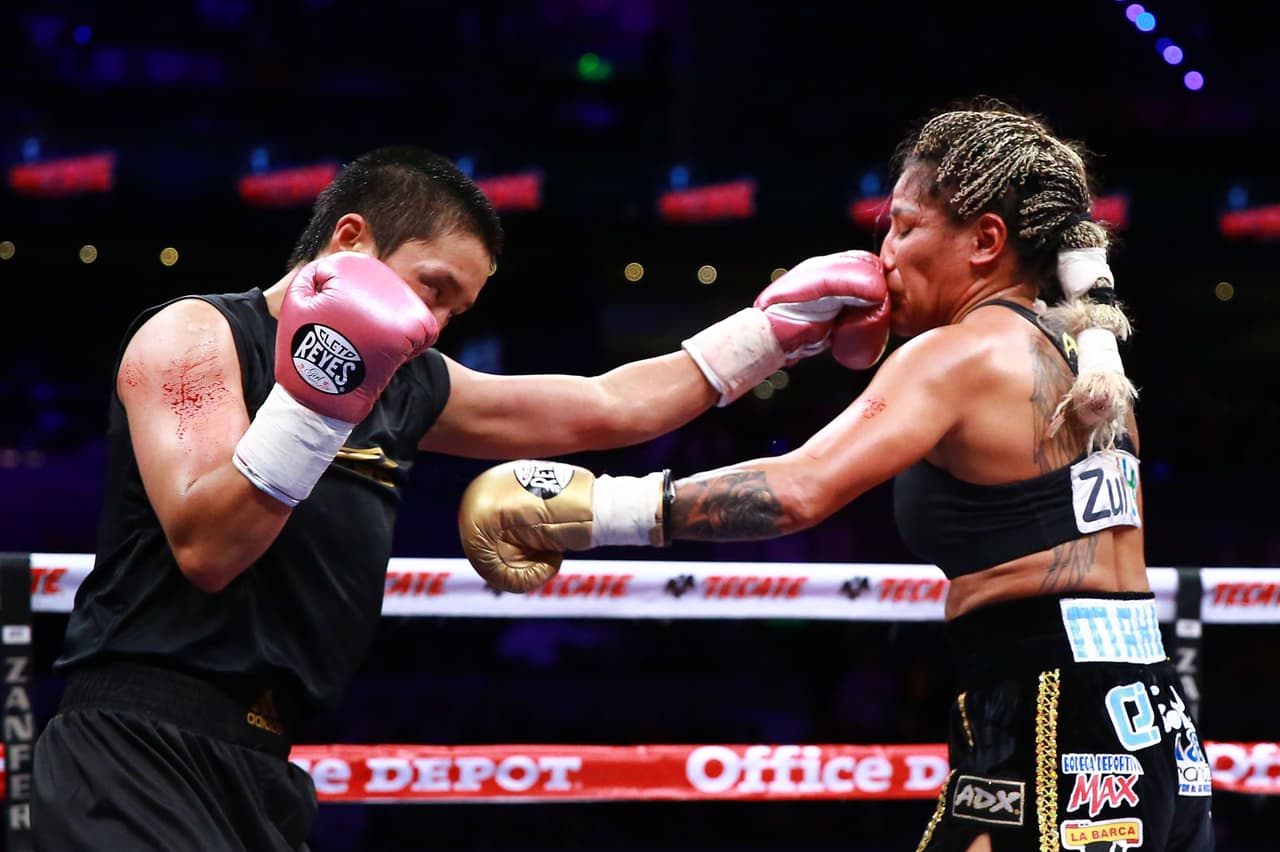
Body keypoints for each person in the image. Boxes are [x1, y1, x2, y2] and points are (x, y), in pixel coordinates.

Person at [31, 145, 891, 850]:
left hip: (261, 769)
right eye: (431, 287)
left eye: (457, 308)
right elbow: (208, 550)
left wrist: (776, 332)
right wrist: (318, 398)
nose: (436, 323)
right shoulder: (197, 336)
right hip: (134, 750)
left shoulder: (410, 385)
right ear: (350, 241)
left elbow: (607, 406)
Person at [459, 103, 1214, 851]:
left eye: (905, 226)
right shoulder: (1089, 358)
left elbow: (797, 489)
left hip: (1052, 721)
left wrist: (594, 508)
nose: (883, 251)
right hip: (1151, 730)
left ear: (985, 241)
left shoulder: (958, 356)